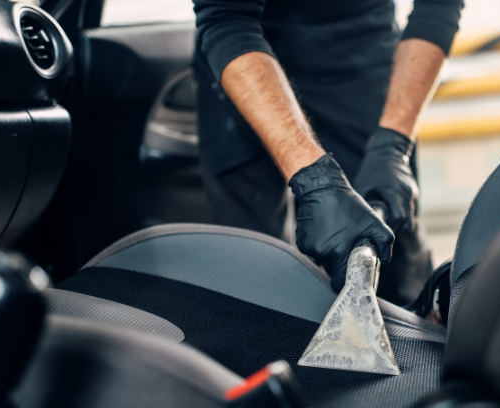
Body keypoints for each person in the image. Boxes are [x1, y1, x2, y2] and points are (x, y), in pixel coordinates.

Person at [193, 0, 464, 305]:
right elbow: (227, 20)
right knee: (248, 279)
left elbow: (439, 5)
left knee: (390, 257)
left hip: (358, 60)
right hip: (242, 65)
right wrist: (315, 180)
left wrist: (393, 144)